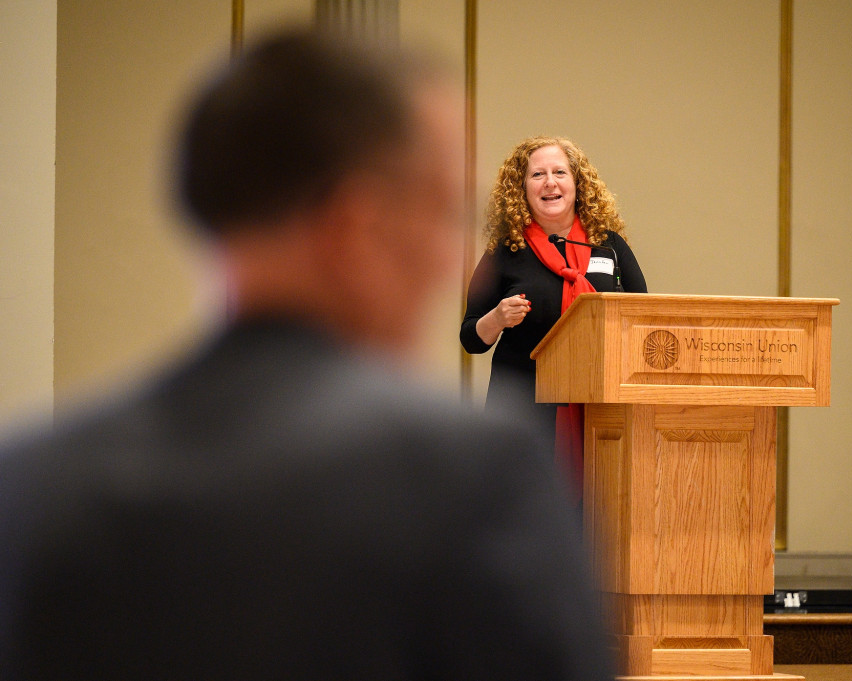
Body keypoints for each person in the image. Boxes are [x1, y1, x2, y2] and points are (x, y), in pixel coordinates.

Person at [0, 30, 612, 681]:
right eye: (443, 212)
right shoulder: (477, 479)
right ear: (357, 223)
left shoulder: (29, 482)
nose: (447, 261)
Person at [460, 137, 647, 499]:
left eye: (560, 172)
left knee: (598, 509)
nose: (550, 183)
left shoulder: (608, 245)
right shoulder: (506, 249)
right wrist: (497, 317)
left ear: (578, 184)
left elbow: (643, 320)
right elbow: (470, 337)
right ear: (521, 189)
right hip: (523, 408)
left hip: (599, 404)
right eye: (538, 175)